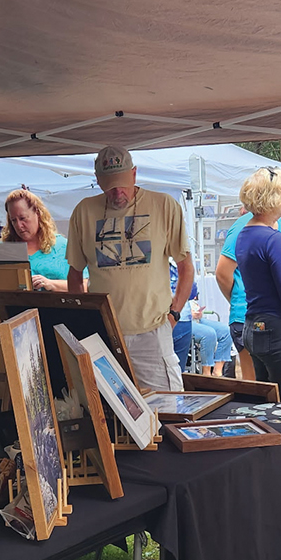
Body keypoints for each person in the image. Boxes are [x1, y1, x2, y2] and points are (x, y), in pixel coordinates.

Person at [65, 147, 193, 391]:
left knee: (168, 407)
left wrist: (174, 314)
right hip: (103, 333)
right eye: (110, 185)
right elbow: (75, 273)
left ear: (134, 174)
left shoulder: (164, 206)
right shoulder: (84, 211)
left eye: (122, 183)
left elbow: (186, 266)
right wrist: (82, 319)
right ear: (98, 181)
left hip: (152, 331)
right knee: (110, 412)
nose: (118, 192)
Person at [233, 167, 281, 402]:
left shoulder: (244, 234)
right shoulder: (273, 239)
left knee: (265, 406)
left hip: (253, 325)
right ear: (273, 198)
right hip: (278, 328)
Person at [216, 206, 281, 381]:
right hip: (249, 316)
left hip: (280, 317)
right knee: (256, 387)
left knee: (276, 389)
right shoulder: (242, 227)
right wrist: (238, 300)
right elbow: (223, 273)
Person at [1, 188, 79, 291]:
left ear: (37, 213)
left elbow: (85, 285)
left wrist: (51, 284)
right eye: (13, 220)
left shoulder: (62, 246)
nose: (19, 225)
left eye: (23, 218)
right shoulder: (4, 250)